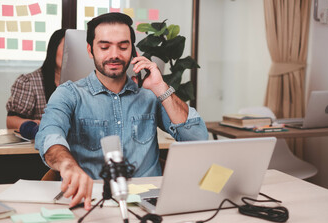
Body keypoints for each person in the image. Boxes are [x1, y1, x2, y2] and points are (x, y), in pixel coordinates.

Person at [35, 13, 208, 210]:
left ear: (133, 51)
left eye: (123, 46)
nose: (114, 54)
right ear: (90, 50)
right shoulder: (69, 94)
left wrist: (161, 88)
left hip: (150, 203)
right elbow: (49, 135)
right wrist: (68, 166)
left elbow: (198, 139)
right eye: (105, 46)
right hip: (94, 202)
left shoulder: (150, 94)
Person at [6, 29, 66, 130]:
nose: (69, 54)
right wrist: (30, 124)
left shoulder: (83, 83)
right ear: (53, 49)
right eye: (66, 49)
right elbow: (10, 121)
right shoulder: (29, 82)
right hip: (41, 142)